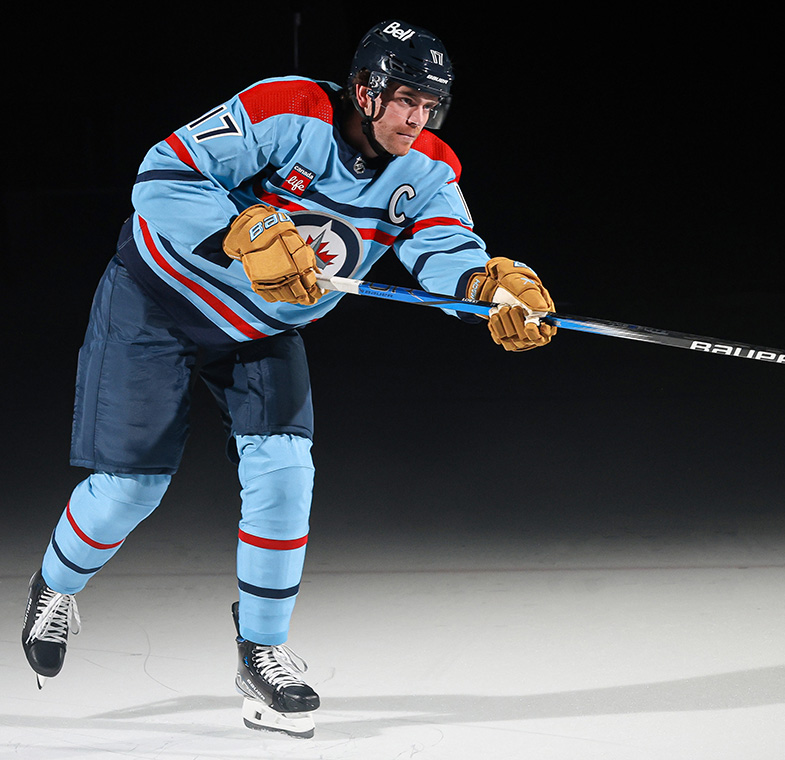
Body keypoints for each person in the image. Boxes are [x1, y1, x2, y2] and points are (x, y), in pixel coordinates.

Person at [20, 19, 556, 739]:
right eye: (404, 99)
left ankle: (262, 654)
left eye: (430, 105)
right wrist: (241, 232)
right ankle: (54, 587)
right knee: (129, 489)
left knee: (286, 469)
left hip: (263, 331)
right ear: (365, 91)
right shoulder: (288, 111)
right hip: (158, 304)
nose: (415, 118)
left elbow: (445, 247)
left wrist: (487, 288)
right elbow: (162, 173)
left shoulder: (427, 168)